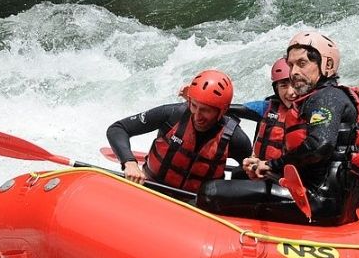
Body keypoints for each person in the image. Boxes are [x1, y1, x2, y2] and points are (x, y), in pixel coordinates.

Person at [201, 29, 359, 224]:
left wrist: (270, 164)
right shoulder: (322, 98)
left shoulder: (327, 97)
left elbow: (319, 146)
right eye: (291, 65)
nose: (294, 72)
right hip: (324, 200)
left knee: (210, 192)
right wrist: (266, 169)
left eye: (302, 63)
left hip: (318, 204)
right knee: (238, 179)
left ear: (327, 64)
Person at [105, 70, 252, 197]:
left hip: (194, 206)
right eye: (194, 106)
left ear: (222, 111)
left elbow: (247, 175)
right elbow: (118, 128)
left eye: (206, 110)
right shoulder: (172, 114)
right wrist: (129, 162)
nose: (197, 115)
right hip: (152, 189)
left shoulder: (235, 138)